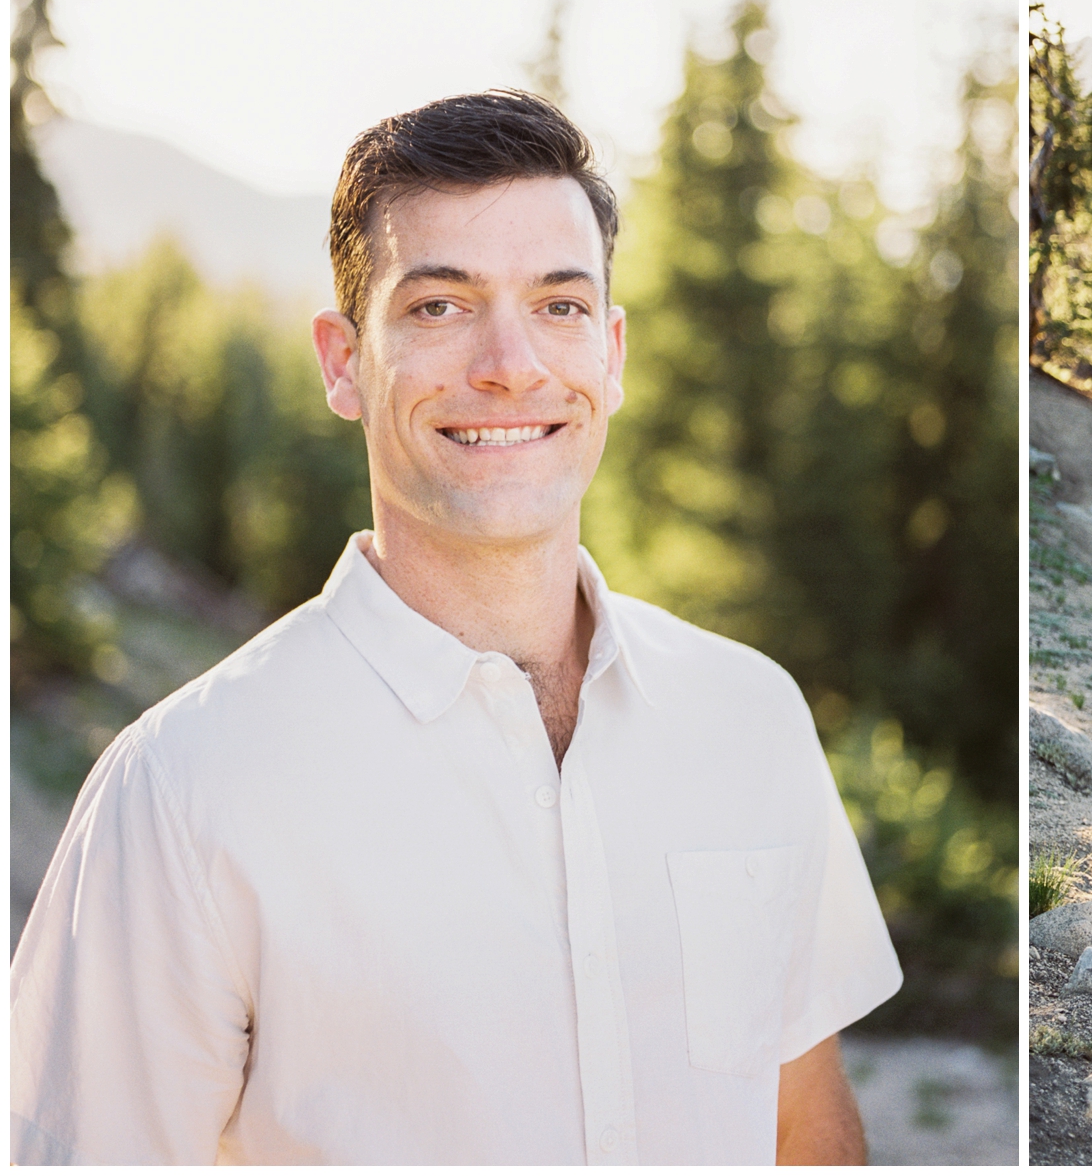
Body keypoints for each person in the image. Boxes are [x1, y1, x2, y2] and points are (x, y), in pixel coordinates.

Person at [9, 90, 903, 1164]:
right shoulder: (183, 790)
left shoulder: (750, 713)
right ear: (344, 361)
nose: (510, 362)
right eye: (439, 305)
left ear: (610, 354)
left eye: (560, 305)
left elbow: (799, 1114)